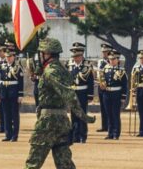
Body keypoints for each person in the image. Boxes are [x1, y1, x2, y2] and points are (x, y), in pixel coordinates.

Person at [25, 38, 95, 169]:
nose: (39, 57)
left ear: (47, 54)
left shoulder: (51, 71)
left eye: (41, 53)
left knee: (33, 163)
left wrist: (83, 115)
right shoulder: (61, 69)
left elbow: (67, 93)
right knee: (64, 163)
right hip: (62, 122)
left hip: (48, 123)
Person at [0, 45, 25, 142]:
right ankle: (7, 134)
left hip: (14, 93)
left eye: (10, 57)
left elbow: (21, 82)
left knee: (14, 115)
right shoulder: (2, 66)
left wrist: (21, 94)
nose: (8, 59)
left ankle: (14, 135)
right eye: (7, 57)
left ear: (14, 57)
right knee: (6, 114)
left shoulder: (18, 67)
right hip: (4, 92)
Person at [67, 43, 93, 144]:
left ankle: (83, 135)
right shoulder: (69, 65)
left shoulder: (87, 65)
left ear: (81, 55)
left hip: (83, 93)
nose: (75, 58)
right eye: (74, 56)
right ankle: (75, 136)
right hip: (73, 93)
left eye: (77, 56)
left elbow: (90, 82)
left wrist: (90, 95)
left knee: (82, 115)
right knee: (73, 115)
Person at [99, 51, 126, 140]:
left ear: (117, 60)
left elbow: (124, 85)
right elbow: (102, 81)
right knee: (109, 114)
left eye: (113, 59)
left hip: (116, 94)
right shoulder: (105, 69)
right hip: (106, 94)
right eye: (110, 59)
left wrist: (123, 97)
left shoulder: (121, 71)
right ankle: (110, 133)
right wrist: (102, 88)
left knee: (115, 114)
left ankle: (116, 133)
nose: (111, 61)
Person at [94, 44, 112, 132]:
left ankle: (110, 125)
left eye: (106, 52)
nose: (104, 54)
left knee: (108, 107)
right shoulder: (100, 61)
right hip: (100, 85)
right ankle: (104, 125)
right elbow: (98, 72)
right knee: (102, 107)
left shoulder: (112, 61)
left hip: (109, 87)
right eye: (103, 52)